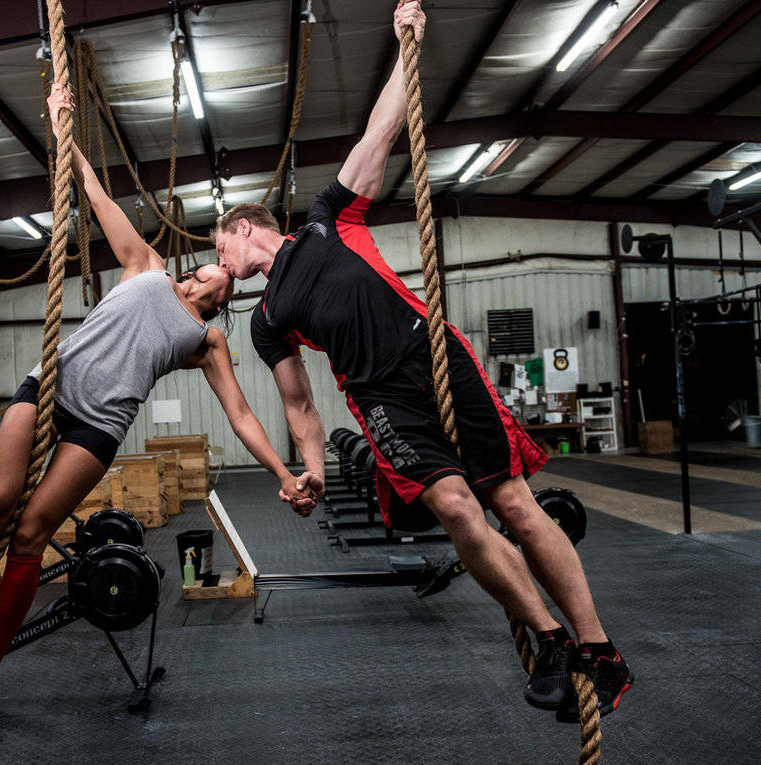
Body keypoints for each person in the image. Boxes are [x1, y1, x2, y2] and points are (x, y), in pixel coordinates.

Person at [213, 1, 631, 723]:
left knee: (514, 505)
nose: (221, 266)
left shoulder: (324, 219)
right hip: (381, 399)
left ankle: (601, 654)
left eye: (219, 249)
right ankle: (552, 639)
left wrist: (407, 41)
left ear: (243, 228)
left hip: (433, 356)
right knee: (457, 508)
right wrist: (310, 470)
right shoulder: (267, 320)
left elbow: (383, 127)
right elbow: (300, 408)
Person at [0, 83, 318, 712]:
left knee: (31, 536)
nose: (219, 272)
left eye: (228, 278)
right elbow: (96, 194)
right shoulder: (144, 266)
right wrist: (61, 123)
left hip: (96, 429)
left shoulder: (206, 342)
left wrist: (285, 473)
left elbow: (241, 415)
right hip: (48, 392)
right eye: (211, 263)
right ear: (195, 268)